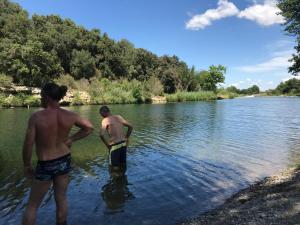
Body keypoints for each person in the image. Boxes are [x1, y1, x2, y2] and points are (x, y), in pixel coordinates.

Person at [22, 83, 93, 225]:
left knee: (32, 206)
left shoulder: (36, 117)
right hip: (64, 160)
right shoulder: (70, 115)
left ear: (47, 97)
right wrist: (71, 139)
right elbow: (89, 128)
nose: (40, 99)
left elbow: (28, 144)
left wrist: (27, 165)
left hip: (46, 163)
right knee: (61, 199)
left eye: (41, 96)